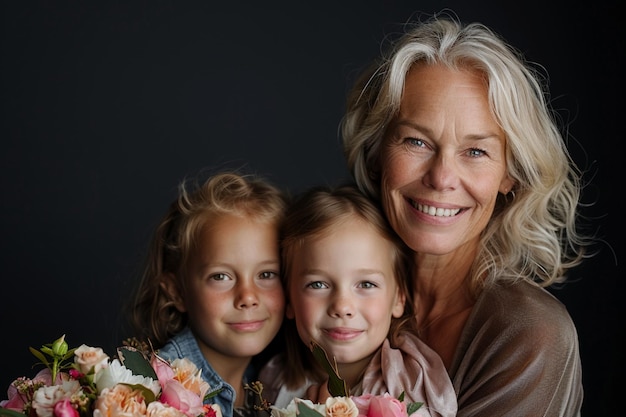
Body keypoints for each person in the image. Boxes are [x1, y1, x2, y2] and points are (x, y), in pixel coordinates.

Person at [340, 13, 594, 417]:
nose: (441, 178)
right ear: (376, 153)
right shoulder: (327, 291)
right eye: (417, 141)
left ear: (510, 175)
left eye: (475, 151)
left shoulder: (529, 333)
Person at [259, 184, 457, 417]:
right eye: (318, 284)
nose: (342, 307)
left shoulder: (409, 386)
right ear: (289, 297)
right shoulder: (272, 380)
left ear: (399, 297)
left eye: (366, 284)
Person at [128, 171, 289, 417]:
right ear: (178, 291)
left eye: (266, 275)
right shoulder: (154, 397)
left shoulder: (267, 383)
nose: (247, 297)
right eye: (221, 277)